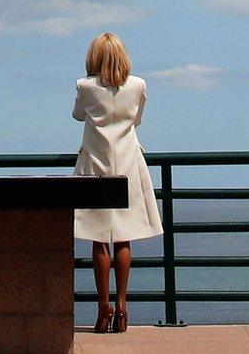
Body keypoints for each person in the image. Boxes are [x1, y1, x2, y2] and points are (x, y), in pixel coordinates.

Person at [73, 32, 162, 334]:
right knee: (123, 239)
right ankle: (123, 306)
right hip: (128, 165)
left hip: (95, 167)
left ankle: (103, 308)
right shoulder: (138, 86)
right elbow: (137, 120)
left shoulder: (85, 86)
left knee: (99, 239)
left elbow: (77, 115)